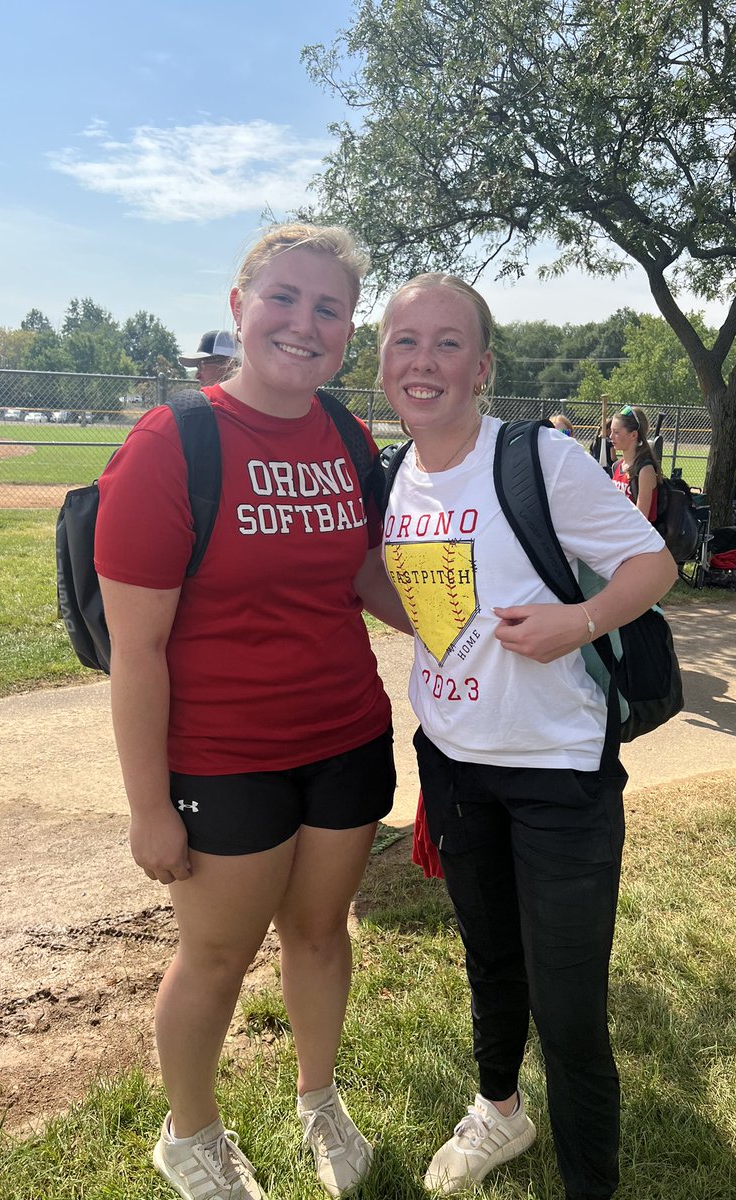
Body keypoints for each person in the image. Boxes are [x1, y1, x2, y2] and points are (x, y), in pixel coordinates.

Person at [95, 223, 410, 1200]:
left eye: (329, 308)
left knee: (320, 933)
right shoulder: (172, 445)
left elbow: (364, 570)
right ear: (239, 308)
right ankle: (191, 1136)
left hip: (346, 737)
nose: (304, 323)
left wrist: (466, 629)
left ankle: (319, 1099)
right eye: (284, 298)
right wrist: (149, 807)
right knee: (218, 956)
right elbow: (137, 651)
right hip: (223, 757)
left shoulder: (347, 437)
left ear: (348, 331)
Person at [378, 273, 677, 1200]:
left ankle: (591, 1183)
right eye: (404, 342)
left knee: (569, 1005)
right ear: (382, 362)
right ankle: (500, 1110)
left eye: (448, 342)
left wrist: (574, 623)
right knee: (491, 960)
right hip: (453, 766)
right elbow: (399, 592)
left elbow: (653, 564)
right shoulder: (392, 475)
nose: (424, 361)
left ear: (483, 366)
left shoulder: (536, 458)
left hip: (558, 773)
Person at [609, 405, 660, 522]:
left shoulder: (645, 470)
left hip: (634, 532)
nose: (611, 436)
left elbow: (641, 520)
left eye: (616, 432)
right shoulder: (617, 466)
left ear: (633, 435)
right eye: (611, 431)